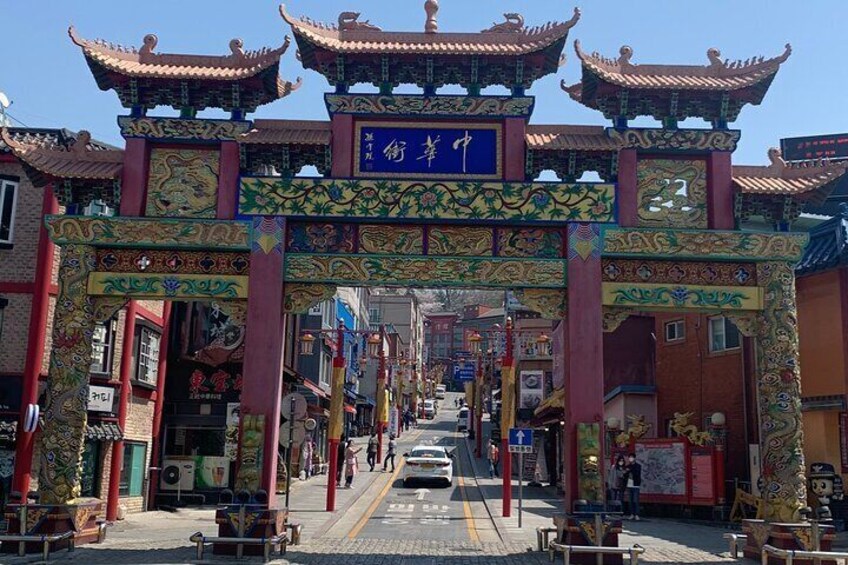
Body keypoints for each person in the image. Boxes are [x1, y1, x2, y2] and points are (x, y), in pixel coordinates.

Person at [624, 452, 642, 520]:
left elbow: (637, 473)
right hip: (629, 485)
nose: (630, 459)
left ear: (634, 458)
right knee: (630, 501)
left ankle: (637, 514)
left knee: (635, 500)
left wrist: (630, 470)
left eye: (632, 457)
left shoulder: (638, 466)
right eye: (629, 457)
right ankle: (631, 514)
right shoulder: (627, 466)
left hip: (636, 485)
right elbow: (625, 474)